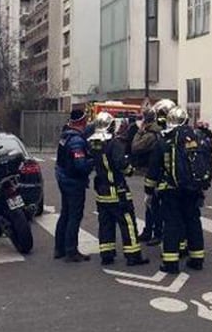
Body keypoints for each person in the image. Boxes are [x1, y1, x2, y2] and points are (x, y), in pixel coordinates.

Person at [146, 106, 208, 274]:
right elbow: (205, 162)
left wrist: (149, 192)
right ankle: (197, 259)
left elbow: (153, 169)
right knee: (193, 222)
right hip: (193, 188)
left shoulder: (164, 141)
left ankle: (171, 263)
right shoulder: (197, 138)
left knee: (172, 225)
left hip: (171, 189)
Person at [88, 113, 148, 266]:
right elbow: (121, 163)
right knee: (127, 222)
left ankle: (106, 254)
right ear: (111, 126)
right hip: (117, 190)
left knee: (105, 223)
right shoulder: (113, 144)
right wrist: (129, 169)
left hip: (102, 192)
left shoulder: (93, 143)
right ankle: (133, 255)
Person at [132, 99, 176, 245]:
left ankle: (156, 232)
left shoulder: (152, 134)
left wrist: (140, 130)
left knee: (153, 203)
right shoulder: (169, 133)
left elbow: (136, 147)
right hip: (164, 174)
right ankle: (150, 230)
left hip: (157, 173)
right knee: (152, 204)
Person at [54, 109, 95, 263]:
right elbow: (81, 166)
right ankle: (71, 251)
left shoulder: (66, 135)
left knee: (65, 213)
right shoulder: (76, 141)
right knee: (74, 216)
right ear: (81, 122)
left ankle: (59, 248)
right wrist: (94, 160)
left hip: (63, 179)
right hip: (74, 182)